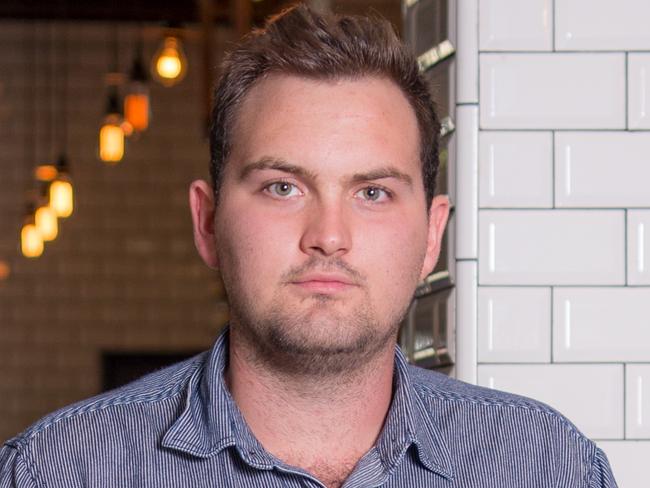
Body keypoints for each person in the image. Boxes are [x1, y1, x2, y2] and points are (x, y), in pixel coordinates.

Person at [0, 4, 618, 488]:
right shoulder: (57, 470)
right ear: (208, 224)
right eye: (283, 187)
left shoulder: (550, 465)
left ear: (432, 235)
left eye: (372, 193)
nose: (328, 235)